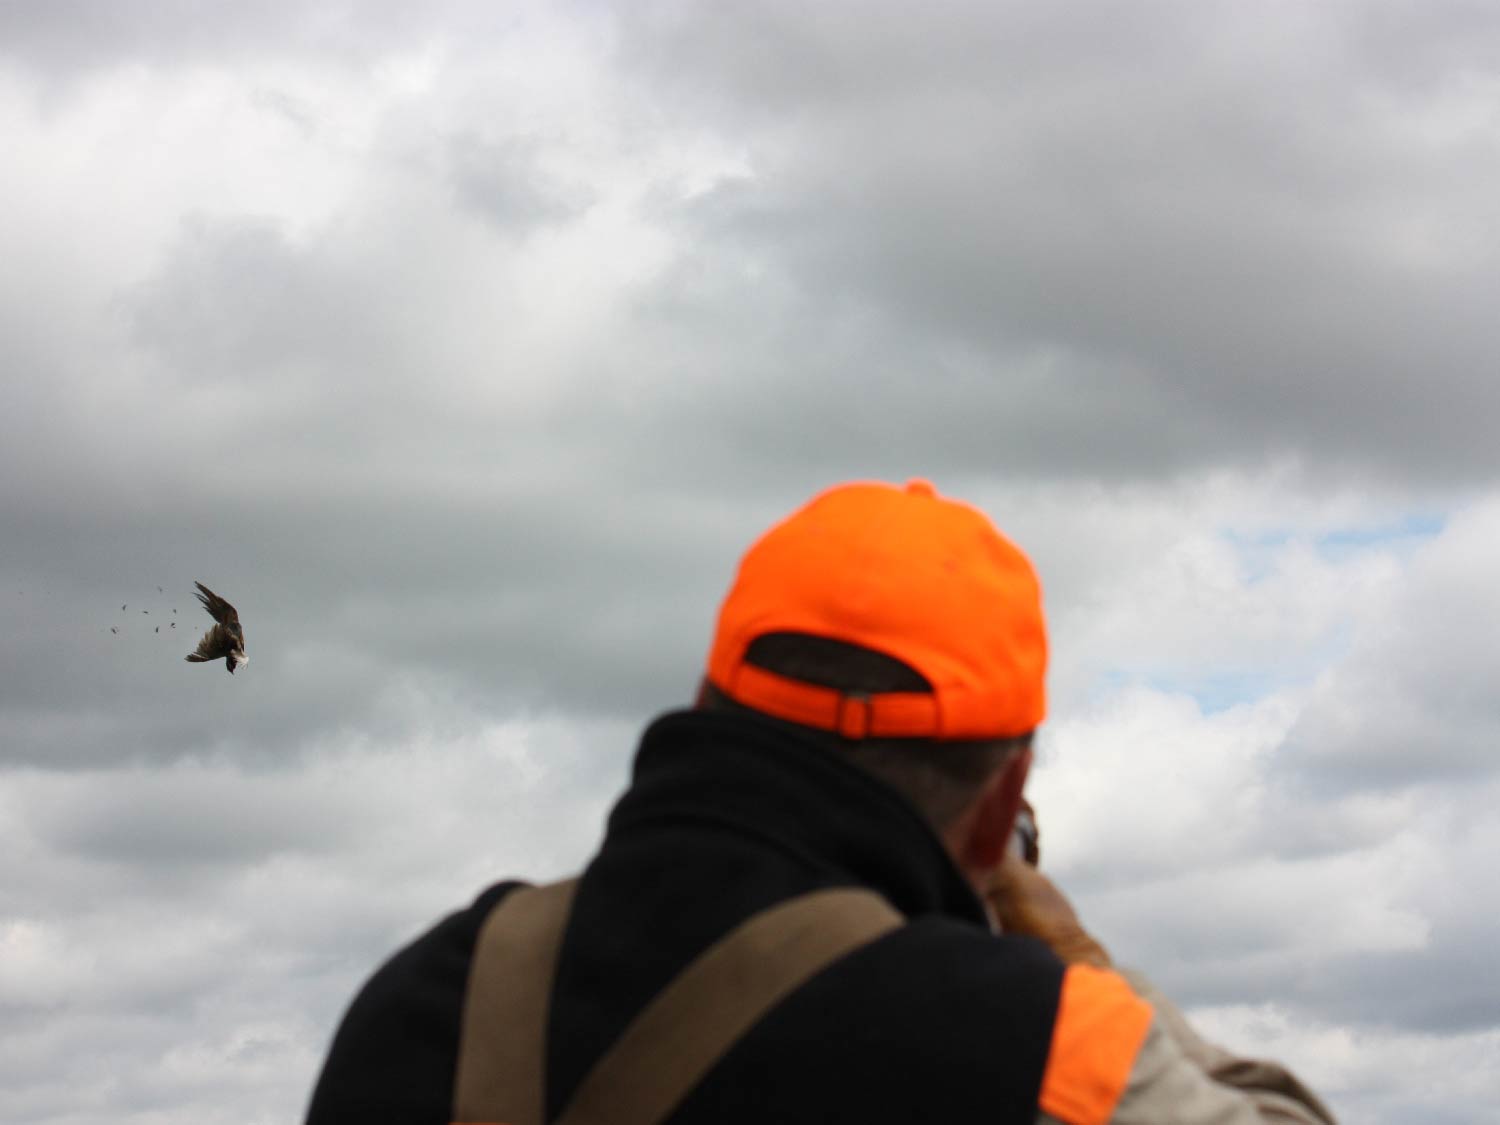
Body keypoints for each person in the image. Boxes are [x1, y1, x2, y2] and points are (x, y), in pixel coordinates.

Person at [306, 478, 1337, 1124]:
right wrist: (1083, 968)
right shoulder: (1046, 1045)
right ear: (1004, 800)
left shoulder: (426, 1001)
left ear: (709, 707)